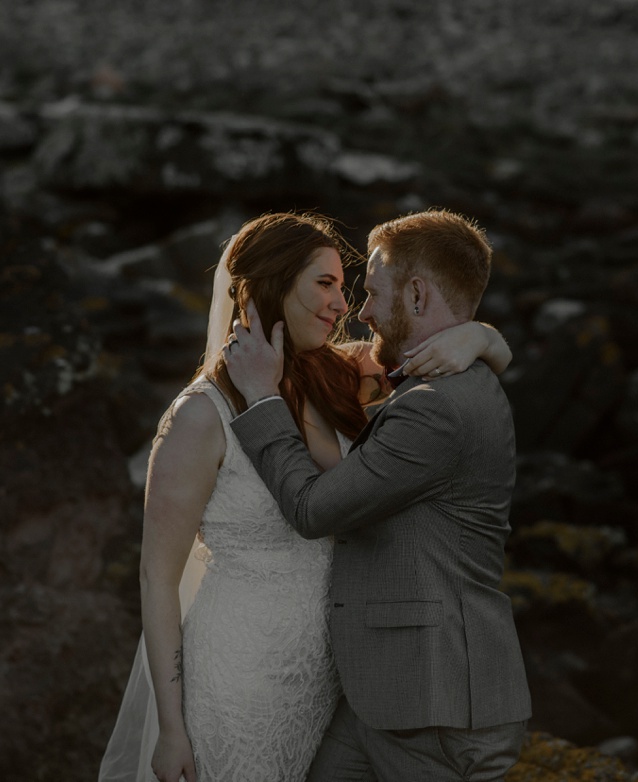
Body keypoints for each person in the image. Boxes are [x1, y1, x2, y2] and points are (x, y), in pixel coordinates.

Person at [97, 212, 513, 782]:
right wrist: (171, 728)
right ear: (271, 284)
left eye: (348, 288)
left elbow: (425, 352)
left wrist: (483, 336)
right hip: (238, 677)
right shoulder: (200, 415)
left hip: (326, 687)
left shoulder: (335, 374)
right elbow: (156, 578)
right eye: (326, 284)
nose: (345, 307)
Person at [224, 209, 532, 781]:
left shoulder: (434, 408)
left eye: (371, 292)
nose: (360, 313)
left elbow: (314, 509)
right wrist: (484, 335)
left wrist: (260, 397)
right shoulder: (434, 380)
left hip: (437, 703)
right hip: (390, 693)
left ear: (417, 295)